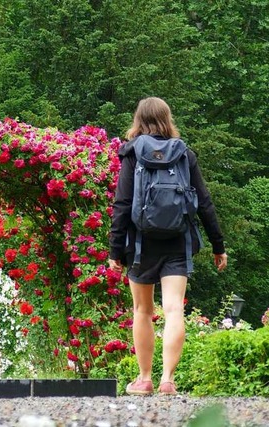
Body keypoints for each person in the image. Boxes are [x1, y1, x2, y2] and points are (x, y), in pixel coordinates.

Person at [108, 97, 228, 396]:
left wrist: (114, 250)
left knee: (142, 310)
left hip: (140, 243)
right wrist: (218, 244)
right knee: (174, 309)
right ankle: (168, 380)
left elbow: (122, 204)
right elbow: (204, 202)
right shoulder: (184, 154)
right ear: (167, 118)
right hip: (178, 240)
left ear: (138, 120)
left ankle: (145, 378)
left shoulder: (132, 153)